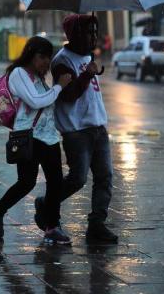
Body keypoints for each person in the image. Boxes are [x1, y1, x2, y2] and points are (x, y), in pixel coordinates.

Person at [34, 14, 118, 243]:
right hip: (76, 131)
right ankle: (47, 202)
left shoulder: (87, 56)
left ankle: (97, 225)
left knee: (105, 177)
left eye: (94, 32)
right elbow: (69, 96)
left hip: (98, 127)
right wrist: (87, 74)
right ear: (74, 34)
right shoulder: (62, 61)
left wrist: (89, 70)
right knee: (78, 178)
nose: (93, 37)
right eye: (88, 32)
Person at [0, 36, 72, 244]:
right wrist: (59, 87)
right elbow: (35, 101)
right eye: (41, 57)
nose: (45, 62)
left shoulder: (40, 79)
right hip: (28, 137)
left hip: (49, 138)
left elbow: (48, 106)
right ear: (31, 55)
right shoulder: (18, 74)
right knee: (26, 182)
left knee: (55, 182)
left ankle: (52, 226)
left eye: (48, 58)